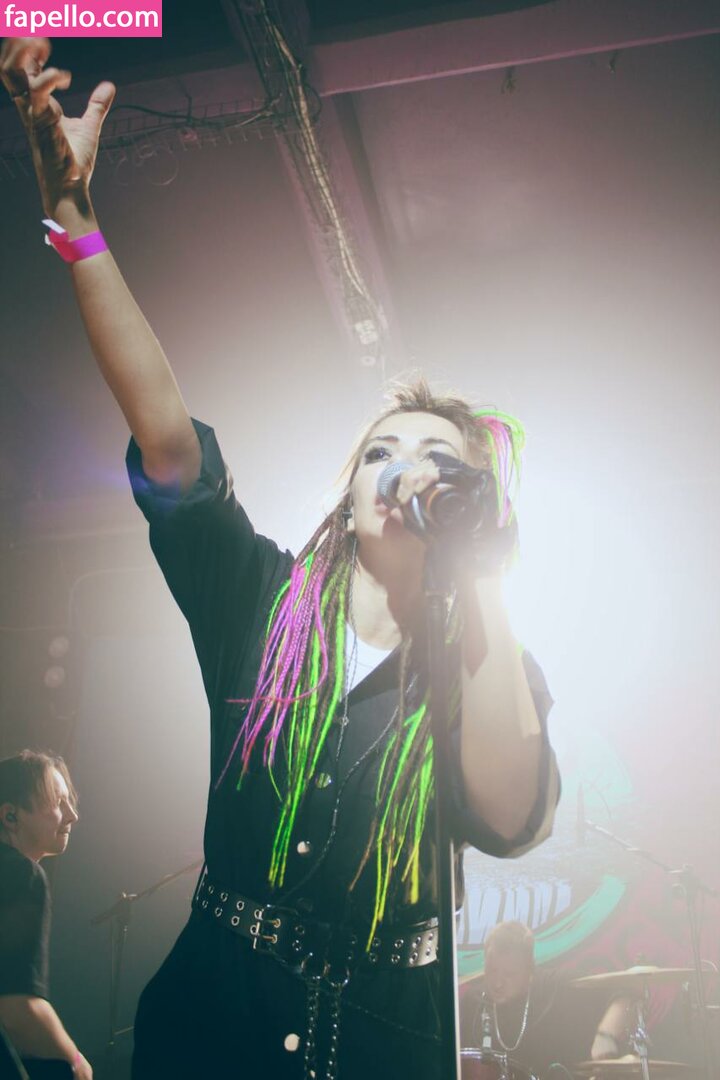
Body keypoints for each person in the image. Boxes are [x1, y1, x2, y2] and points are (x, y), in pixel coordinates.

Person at [0, 37, 561, 1080]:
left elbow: (508, 811)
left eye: (437, 461)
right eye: (382, 452)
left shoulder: (485, 665)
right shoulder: (259, 600)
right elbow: (168, 439)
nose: (405, 470)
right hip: (213, 1028)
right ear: (349, 499)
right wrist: (74, 222)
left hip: (383, 1049)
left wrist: (479, 569)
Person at [0, 750, 92, 1080]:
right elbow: (16, 1008)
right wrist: (77, 1063)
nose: (72, 815)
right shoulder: (22, 874)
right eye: (57, 802)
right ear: (10, 816)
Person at [460, 921, 632, 1078]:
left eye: (509, 974)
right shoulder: (474, 1001)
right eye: (491, 970)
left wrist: (606, 1036)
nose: (498, 983)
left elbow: (625, 992)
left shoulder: (554, 986)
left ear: (530, 970)